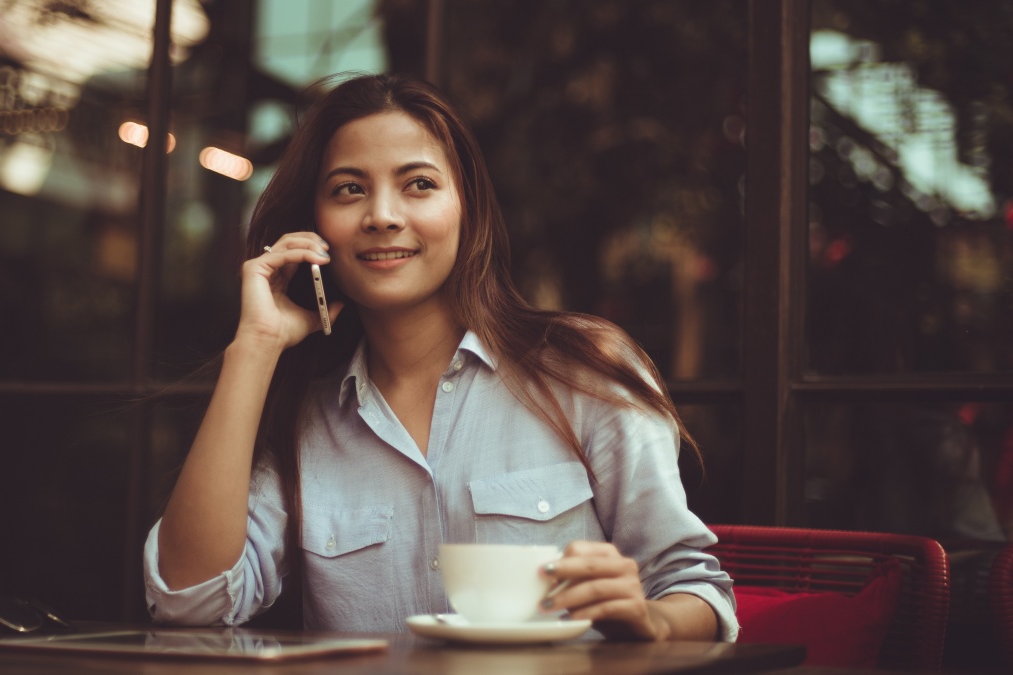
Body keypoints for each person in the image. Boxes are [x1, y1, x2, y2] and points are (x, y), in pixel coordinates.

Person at [143, 72, 738, 642]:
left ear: (466, 209)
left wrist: (651, 621)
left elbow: (695, 589)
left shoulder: (582, 371)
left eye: (418, 184)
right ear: (315, 226)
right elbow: (188, 601)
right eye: (349, 189)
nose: (381, 215)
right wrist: (254, 348)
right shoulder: (303, 418)